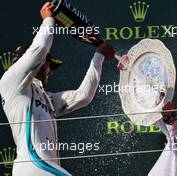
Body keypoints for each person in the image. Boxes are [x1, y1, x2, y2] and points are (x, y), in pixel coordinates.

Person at [0, 2, 115, 176]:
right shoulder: (11, 81)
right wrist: (48, 20)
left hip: (44, 168)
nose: (50, 72)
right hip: (33, 165)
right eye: (50, 65)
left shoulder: (46, 98)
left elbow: (83, 96)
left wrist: (98, 57)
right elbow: (39, 50)